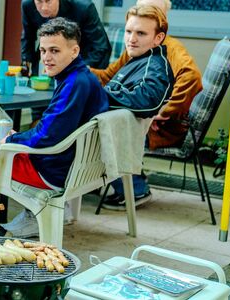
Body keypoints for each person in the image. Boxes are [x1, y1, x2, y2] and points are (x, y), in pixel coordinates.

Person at [0, 18, 108, 233]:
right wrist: (15, 138)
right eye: (43, 51)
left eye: (54, 50)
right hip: (60, 162)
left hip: (47, 168)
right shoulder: (80, 77)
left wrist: (12, 139)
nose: (46, 58)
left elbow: (46, 137)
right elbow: (51, 131)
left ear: (74, 51)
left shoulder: (74, 84)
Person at [91, 0, 202, 209]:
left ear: (162, 20)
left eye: (152, 10)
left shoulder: (170, 49)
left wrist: (165, 111)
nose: (133, 38)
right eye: (129, 30)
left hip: (158, 125)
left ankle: (134, 187)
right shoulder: (135, 49)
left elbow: (192, 77)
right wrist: (77, 67)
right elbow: (108, 76)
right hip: (132, 116)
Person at [99, 4, 175, 209]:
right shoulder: (138, 58)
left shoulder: (155, 65)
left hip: (100, 149)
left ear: (158, 38)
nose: (132, 38)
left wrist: (98, 94)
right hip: (101, 143)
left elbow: (146, 102)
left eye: (141, 33)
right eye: (128, 31)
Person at [21, 0, 111, 74]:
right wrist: (26, 63)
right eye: (39, 1)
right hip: (51, 51)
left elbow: (100, 46)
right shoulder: (27, 5)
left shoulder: (84, 7)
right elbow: (27, 38)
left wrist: (80, 69)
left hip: (84, 56)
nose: (44, 7)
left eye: (48, 1)